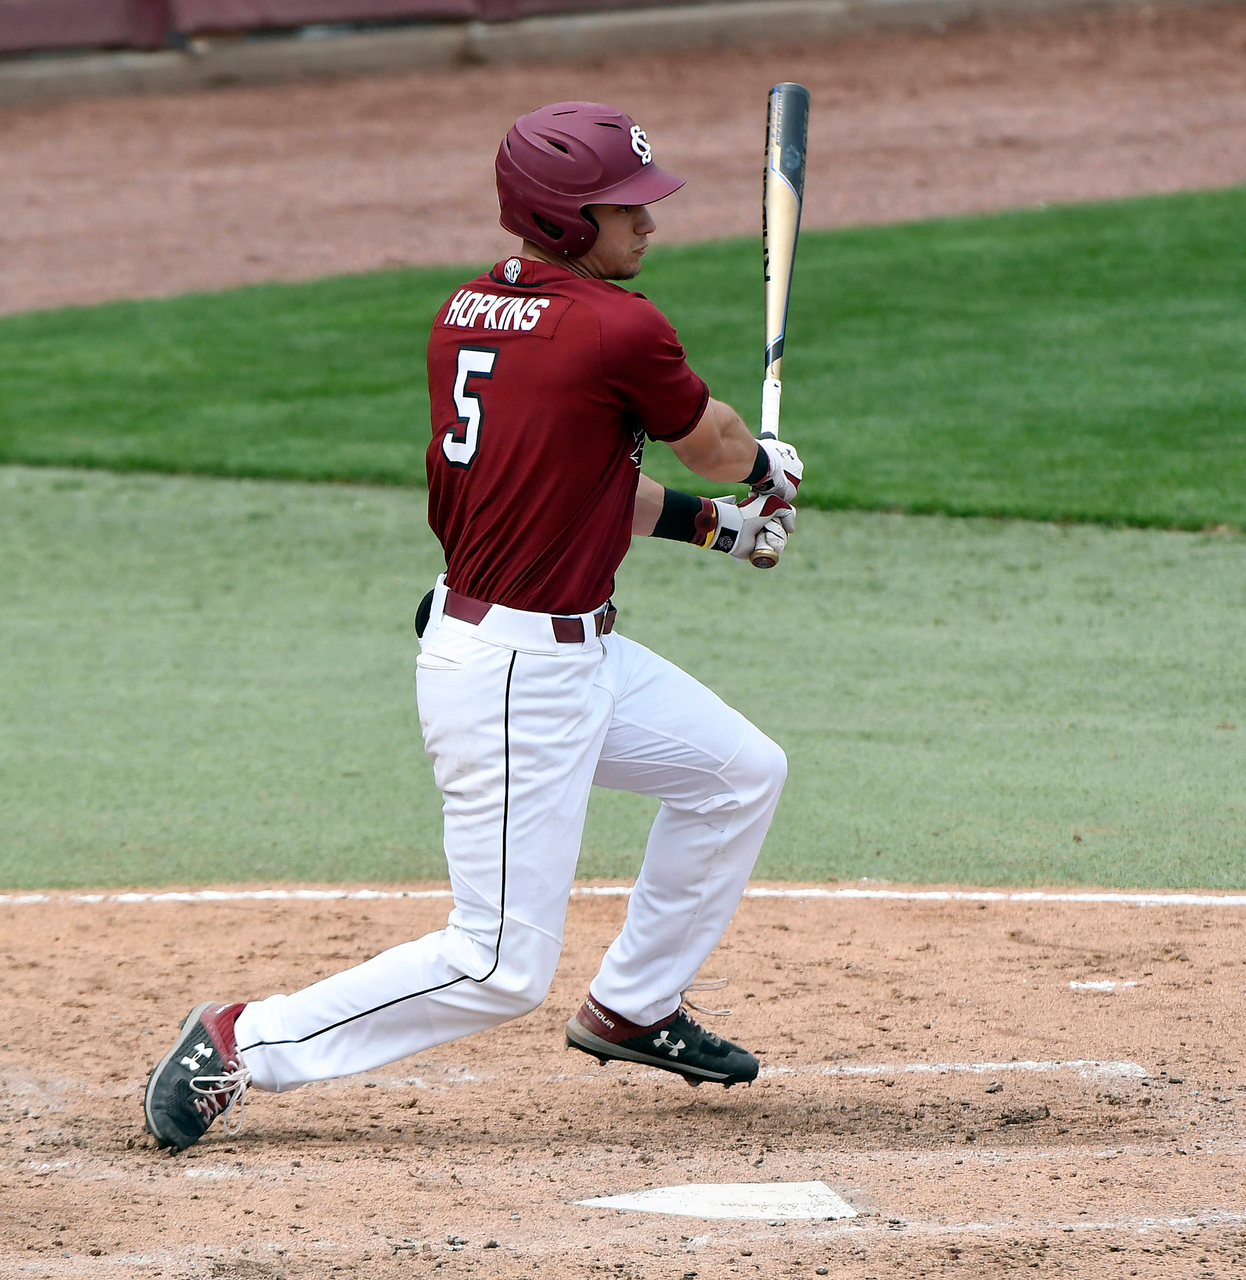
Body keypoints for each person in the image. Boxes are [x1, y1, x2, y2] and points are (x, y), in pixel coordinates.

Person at [143, 101, 804, 1151]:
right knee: (496, 964)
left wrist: (722, 530)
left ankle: (633, 1004)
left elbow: (583, 480)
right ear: (563, 216)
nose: (648, 221)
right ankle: (241, 1041)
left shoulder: (471, 309)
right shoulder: (618, 327)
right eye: (624, 206)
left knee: (737, 773)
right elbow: (715, 445)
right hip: (513, 676)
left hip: (569, 652)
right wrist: (765, 468)